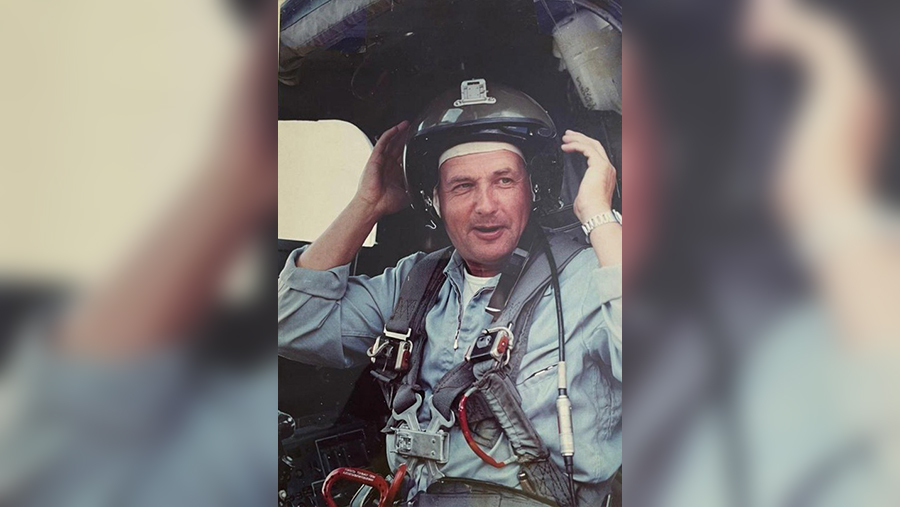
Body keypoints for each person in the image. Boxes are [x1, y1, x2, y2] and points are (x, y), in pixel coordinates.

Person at [278, 82, 622, 505]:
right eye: (462, 186)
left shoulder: (588, 275)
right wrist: (366, 205)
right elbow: (292, 322)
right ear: (435, 201)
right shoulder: (417, 281)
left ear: (532, 190)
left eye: (504, 180)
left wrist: (598, 215)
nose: (486, 205)